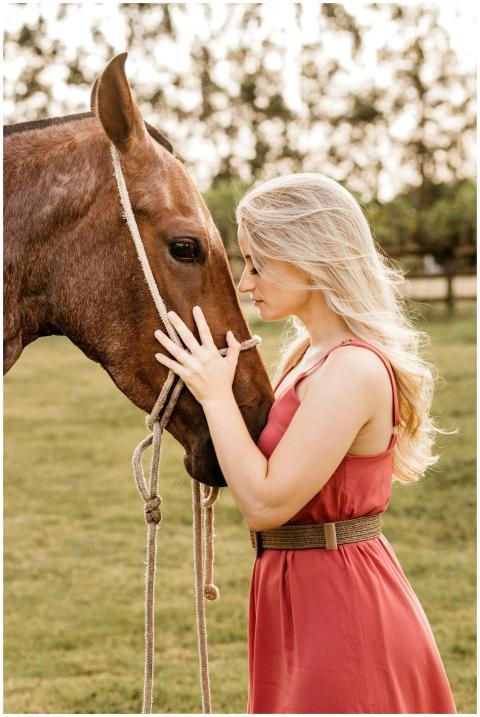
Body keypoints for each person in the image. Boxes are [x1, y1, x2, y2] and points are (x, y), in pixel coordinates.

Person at [153, 172, 457, 713]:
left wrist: (217, 395)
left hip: (340, 603)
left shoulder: (355, 368)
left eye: (256, 263)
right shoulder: (306, 358)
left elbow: (268, 503)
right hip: (291, 590)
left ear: (309, 257)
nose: (245, 284)